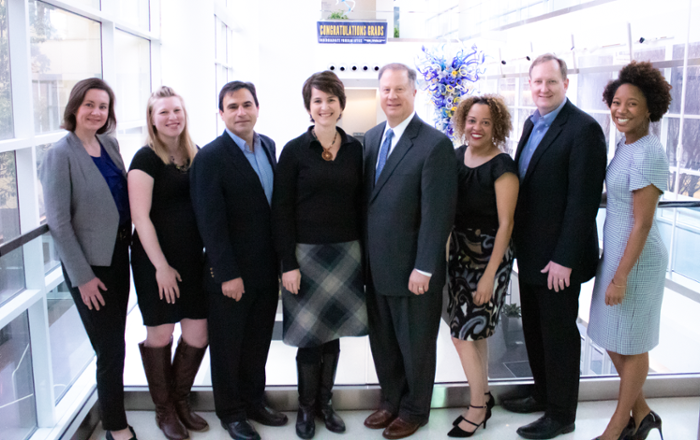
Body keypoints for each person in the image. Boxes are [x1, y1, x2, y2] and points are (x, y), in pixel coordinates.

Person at [502, 54, 607, 440]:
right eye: (537, 83)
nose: (543, 89)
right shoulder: (533, 123)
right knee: (534, 330)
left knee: (559, 336)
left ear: (565, 83)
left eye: (551, 82)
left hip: (560, 260)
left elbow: (583, 203)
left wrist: (563, 259)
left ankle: (562, 415)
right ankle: (543, 395)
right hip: (531, 253)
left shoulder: (583, 129)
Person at [362, 62, 458, 440]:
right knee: (383, 341)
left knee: (415, 344)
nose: (392, 96)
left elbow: (438, 216)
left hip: (414, 271)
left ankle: (415, 409)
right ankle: (390, 401)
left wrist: (425, 267)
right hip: (376, 267)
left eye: (399, 89)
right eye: (386, 89)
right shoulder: (370, 139)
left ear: (414, 92)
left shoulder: (434, 144)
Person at [272, 70, 368, 439]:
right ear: (308, 107)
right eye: (317, 100)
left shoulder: (356, 149)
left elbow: (361, 206)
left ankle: (326, 404)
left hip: (346, 254)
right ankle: (306, 408)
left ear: (341, 104)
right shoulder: (294, 150)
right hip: (306, 256)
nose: (324, 107)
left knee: (334, 334)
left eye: (330, 99)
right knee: (309, 337)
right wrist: (288, 264)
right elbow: (281, 211)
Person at [40, 78, 136, 440]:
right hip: (89, 267)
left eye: (103, 106)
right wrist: (82, 277)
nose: (97, 112)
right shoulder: (59, 154)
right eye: (90, 105)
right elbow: (59, 223)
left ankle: (115, 417)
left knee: (116, 342)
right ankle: (115, 426)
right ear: (75, 108)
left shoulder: (109, 144)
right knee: (109, 348)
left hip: (117, 258)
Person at [190, 81, 287, 440]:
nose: (241, 112)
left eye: (247, 104)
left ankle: (254, 401)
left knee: (257, 342)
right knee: (229, 347)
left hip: (264, 269)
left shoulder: (268, 147)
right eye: (232, 107)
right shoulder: (211, 157)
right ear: (221, 114)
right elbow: (209, 222)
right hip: (230, 274)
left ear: (257, 108)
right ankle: (231, 412)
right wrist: (226, 273)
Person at [588, 61, 672, 440]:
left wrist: (621, 276)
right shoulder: (626, 143)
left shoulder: (648, 152)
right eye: (616, 102)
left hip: (636, 261)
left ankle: (618, 426)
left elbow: (643, 223)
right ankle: (643, 414)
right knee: (610, 337)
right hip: (617, 253)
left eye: (632, 104)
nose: (621, 110)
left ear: (650, 107)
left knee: (631, 343)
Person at [128, 86, 209, 440]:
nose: (172, 117)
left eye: (177, 110)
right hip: (155, 261)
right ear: (152, 119)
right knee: (161, 333)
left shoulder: (197, 154)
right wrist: (160, 266)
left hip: (193, 259)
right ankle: (164, 412)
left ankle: (180, 402)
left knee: (197, 331)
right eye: (163, 112)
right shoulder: (145, 159)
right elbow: (140, 218)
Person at [446, 95, 519, 438]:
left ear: (497, 127)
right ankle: (484, 396)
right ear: (464, 121)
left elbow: (506, 225)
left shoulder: (502, 165)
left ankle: (477, 408)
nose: (477, 128)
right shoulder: (456, 157)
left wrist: (489, 276)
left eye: (486, 122)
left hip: (491, 258)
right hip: (460, 255)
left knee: (462, 334)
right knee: (476, 334)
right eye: (472, 120)